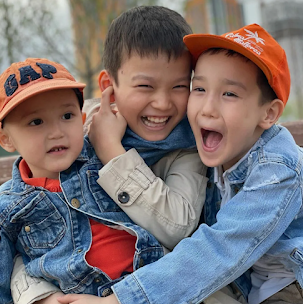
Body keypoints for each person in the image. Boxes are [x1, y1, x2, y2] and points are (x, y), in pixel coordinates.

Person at [58, 23, 303, 304]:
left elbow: (220, 249)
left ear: (269, 113)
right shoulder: (211, 134)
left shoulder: (278, 169)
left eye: (229, 94)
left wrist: (119, 301)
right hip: (242, 285)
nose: (207, 107)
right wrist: (90, 118)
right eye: (198, 88)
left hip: (288, 287)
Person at [0, 6, 208, 304]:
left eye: (67, 116)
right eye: (36, 123)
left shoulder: (102, 153)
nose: (56, 132)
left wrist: (111, 150)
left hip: (147, 285)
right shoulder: (8, 206)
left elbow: (177, 231)